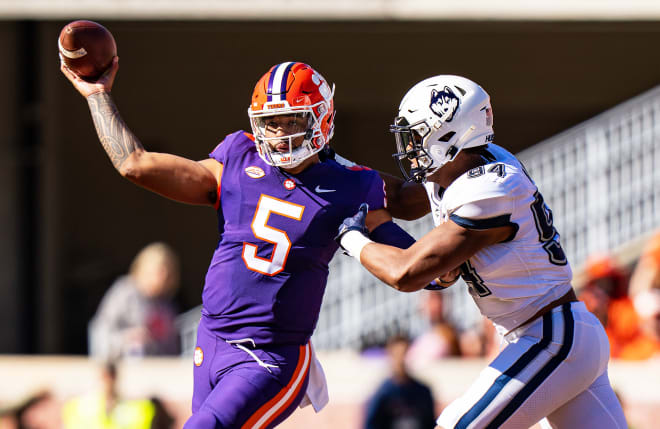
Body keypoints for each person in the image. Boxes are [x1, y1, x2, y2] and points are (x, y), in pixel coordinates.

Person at [61, 57, 426, 428]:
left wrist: (458, 231)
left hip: (271, 354)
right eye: (272, 121)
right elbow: (134, 165)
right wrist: (97, 95)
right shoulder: (239, 156)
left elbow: (408, 232)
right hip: (212, 338)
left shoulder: (352, 183)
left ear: (322, 118)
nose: (280, 131)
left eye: (292, 119)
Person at [337, 75, 628, 428]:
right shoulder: (461, 169)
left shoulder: (490, 188)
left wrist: (351, 238)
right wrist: (329, 168)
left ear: (449, 136)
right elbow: (399, 200)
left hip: (550, 334)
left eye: (418, 134)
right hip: (554, 333)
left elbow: (406, 273)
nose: (410, 145)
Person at [88, 242, 181, 360]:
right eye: (159, 270)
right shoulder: (124, 293)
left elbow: (172, 347)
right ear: (144, 267)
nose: (164, 277)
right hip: (123, 370)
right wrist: (127, 338)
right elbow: (99, 333)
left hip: (156, 372)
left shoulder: (165, 304)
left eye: (169, 273)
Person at [364, 334, 436, 429]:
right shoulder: (382, 394)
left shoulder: (423, 392)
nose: (401, 359)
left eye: (404, 353)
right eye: (397, 354)